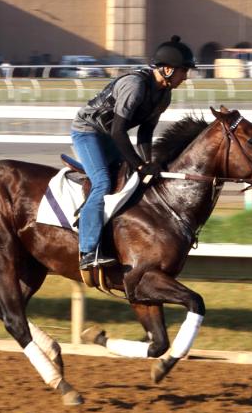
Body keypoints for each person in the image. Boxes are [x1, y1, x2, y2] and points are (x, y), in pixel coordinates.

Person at [71, 35, 196, 271]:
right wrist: (139, 164)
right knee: (103, 183)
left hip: (109, 135)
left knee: (130, 180)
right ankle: (88, 252)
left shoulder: (164, 95)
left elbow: (145, 132)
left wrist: (150, 163)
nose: (185, 77)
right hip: (88, 132)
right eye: (183, 71)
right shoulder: (135, 86)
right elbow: (119, 131)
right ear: (168, 69)